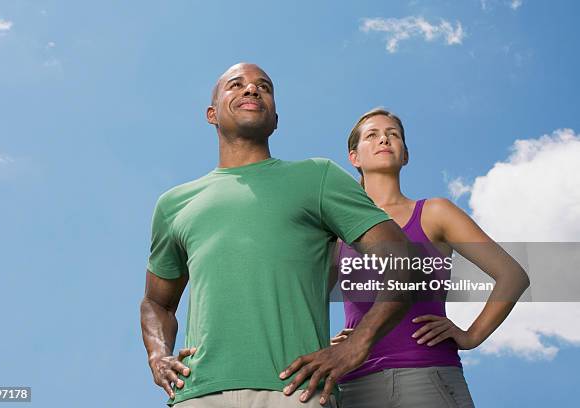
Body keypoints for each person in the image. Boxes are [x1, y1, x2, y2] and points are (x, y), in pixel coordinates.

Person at [140, 64, 416, 407]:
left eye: (264, 87)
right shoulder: (174, 204)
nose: (252, 90)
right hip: (198, 394)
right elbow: (157, 302)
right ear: (211, 114)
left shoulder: (318, 177)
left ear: (275, 120)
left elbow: (403, 261)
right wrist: (157, 356)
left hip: (294, 392)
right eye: (236, 85)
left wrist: (357, 343)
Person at [330, 108, 530, 408]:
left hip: (426, 375)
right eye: (372, 135)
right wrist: (324, 344)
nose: (384, 138)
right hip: (353, 384)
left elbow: (512, 276)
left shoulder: (435, 213)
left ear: (405, 155)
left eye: (393, 134)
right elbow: (302, 295)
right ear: (354, 157)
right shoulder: (338, 231)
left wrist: (471, 335)